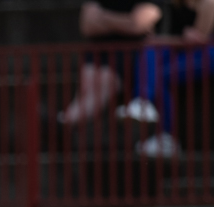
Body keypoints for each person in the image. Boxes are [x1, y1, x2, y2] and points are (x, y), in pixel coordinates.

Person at [120, 0, 214, 156]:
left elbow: (196, 40)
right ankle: (144, 102)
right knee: (151, 51)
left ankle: (164, 131)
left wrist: (164, 40)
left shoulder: (208, 4)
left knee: (157, 73)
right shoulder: (173, 8)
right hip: (189, 53)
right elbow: (183, 39)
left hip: (208, 55)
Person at [58, 0, 162, 125]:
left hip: (126, 57)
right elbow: (87, 26)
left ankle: (62, 122)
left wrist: (102, 18)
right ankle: (63, 122)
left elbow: (136, 25)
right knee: (86, 87)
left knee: (103, 83)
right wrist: (125, 22)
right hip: (96, 54)